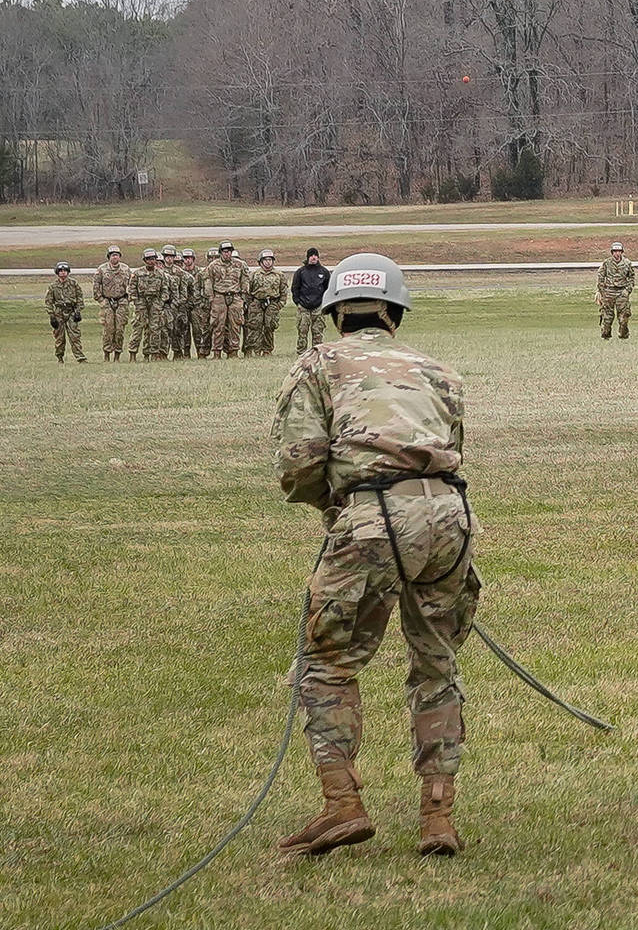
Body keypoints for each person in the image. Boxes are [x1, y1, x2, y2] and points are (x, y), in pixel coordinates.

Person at [272, 254, 478, 859]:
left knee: (328, 662)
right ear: (394, 312)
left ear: (337, 312)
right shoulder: (438, 371)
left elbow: (298, 466)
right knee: (437, 666)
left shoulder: (318, 364)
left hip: (373, 518)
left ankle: (342, 803)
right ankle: (437, 816)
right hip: (449, 517)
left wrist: (341, 508)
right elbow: (454, 448)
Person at [205, 243, 246, 358]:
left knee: (235, 324)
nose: (227, 253)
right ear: (220, 252)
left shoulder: (240, 265)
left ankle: (233, 351)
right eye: (224, 251)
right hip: (219, 297)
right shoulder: (213, 265)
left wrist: (243, 295)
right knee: (218, 324)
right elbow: (208, 282)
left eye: (229, 251)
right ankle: (216, 352)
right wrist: (211, 298)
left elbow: (244, 280)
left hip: (235, 296)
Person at [95, 244, 133, 361]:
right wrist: (101, 300)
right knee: (108, 329)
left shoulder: (126, 269)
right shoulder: (102, 269)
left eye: (116, 255)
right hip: (107, 301)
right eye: (112, 255)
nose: (115, 257)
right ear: (109, 257)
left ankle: (117, 354)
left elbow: (132, 285)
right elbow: (96, 286)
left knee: (120, 329)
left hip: (121, 301)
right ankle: (107, 354)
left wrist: (128, 299)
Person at [130, 249, 170, 359]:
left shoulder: (161, 274)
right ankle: (132, 353)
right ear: (144, 260)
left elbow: (165, 290)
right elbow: (132, 289)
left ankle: (153, 353)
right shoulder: (137, 273)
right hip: (141, 302)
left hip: (155, 302)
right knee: (138, 328)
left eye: (153, 259)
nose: (151, 261)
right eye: (148, 259)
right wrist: (137, 302)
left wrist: (161, 302)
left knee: (155, 329)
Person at [292, 247, 332, 352]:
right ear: (308, 257)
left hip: (318, 307)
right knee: (302, 330)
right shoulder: (301, 272)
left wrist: (324, 302)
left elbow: (328, 288)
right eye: (311, 255)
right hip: (304, 307)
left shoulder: (324, 272)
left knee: (318, 331)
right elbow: (295, 288)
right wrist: (298, 302)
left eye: (315, 255)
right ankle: (302, 352)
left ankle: (317, 352)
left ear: (318, 257)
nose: (313, 257)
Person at [248, 247, 287, 356]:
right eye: (265, 260)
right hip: (257, 303)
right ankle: (255, 349)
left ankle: (267, 350)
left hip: (273, 303)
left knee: (269, 326)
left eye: (270, 259)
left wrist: (280, 304)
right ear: (260, 261)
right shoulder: (254, 274)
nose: (268, 262)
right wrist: (251, 303)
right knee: (255, 326)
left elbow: (283, 291)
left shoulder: (279, 275)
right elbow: (248, 291)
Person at [46, 262, 86, 363]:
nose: (63, 273)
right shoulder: (53, 286)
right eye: (61, 271)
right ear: (57, 273)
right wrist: (52, 316)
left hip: (71, 312)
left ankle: (80, 358)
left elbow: (80, 297)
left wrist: (78, 311)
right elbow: (49, 301)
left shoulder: (74, 284)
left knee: (75, 336)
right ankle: (59, 357)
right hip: (59, 313)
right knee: (60, 337)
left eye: (65, 271)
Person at [596, 241, 636, 340]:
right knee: (607, 316)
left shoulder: (627, 263)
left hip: (622, 292)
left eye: (619, 251)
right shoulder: (607, 263)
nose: (617, 253)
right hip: (609, 292)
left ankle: (623, 335)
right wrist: (602, 291)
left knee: (623, 318)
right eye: (615, 251)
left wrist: (627, 290)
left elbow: (631, 278)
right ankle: (606, 335)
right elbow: (600, 276)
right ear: (612, 252)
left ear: (622, 252)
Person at [172, 247, 203, 358]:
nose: (187, 260)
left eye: (189, 258)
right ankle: (186, 353)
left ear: (193, 259)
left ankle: (200, 351)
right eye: (185, 258)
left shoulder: (200, 272)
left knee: (198, 329)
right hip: (183, 306)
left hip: (196, 306)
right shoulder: (179, 273)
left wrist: (197, 302)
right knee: (184, 329)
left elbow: (201, 288)